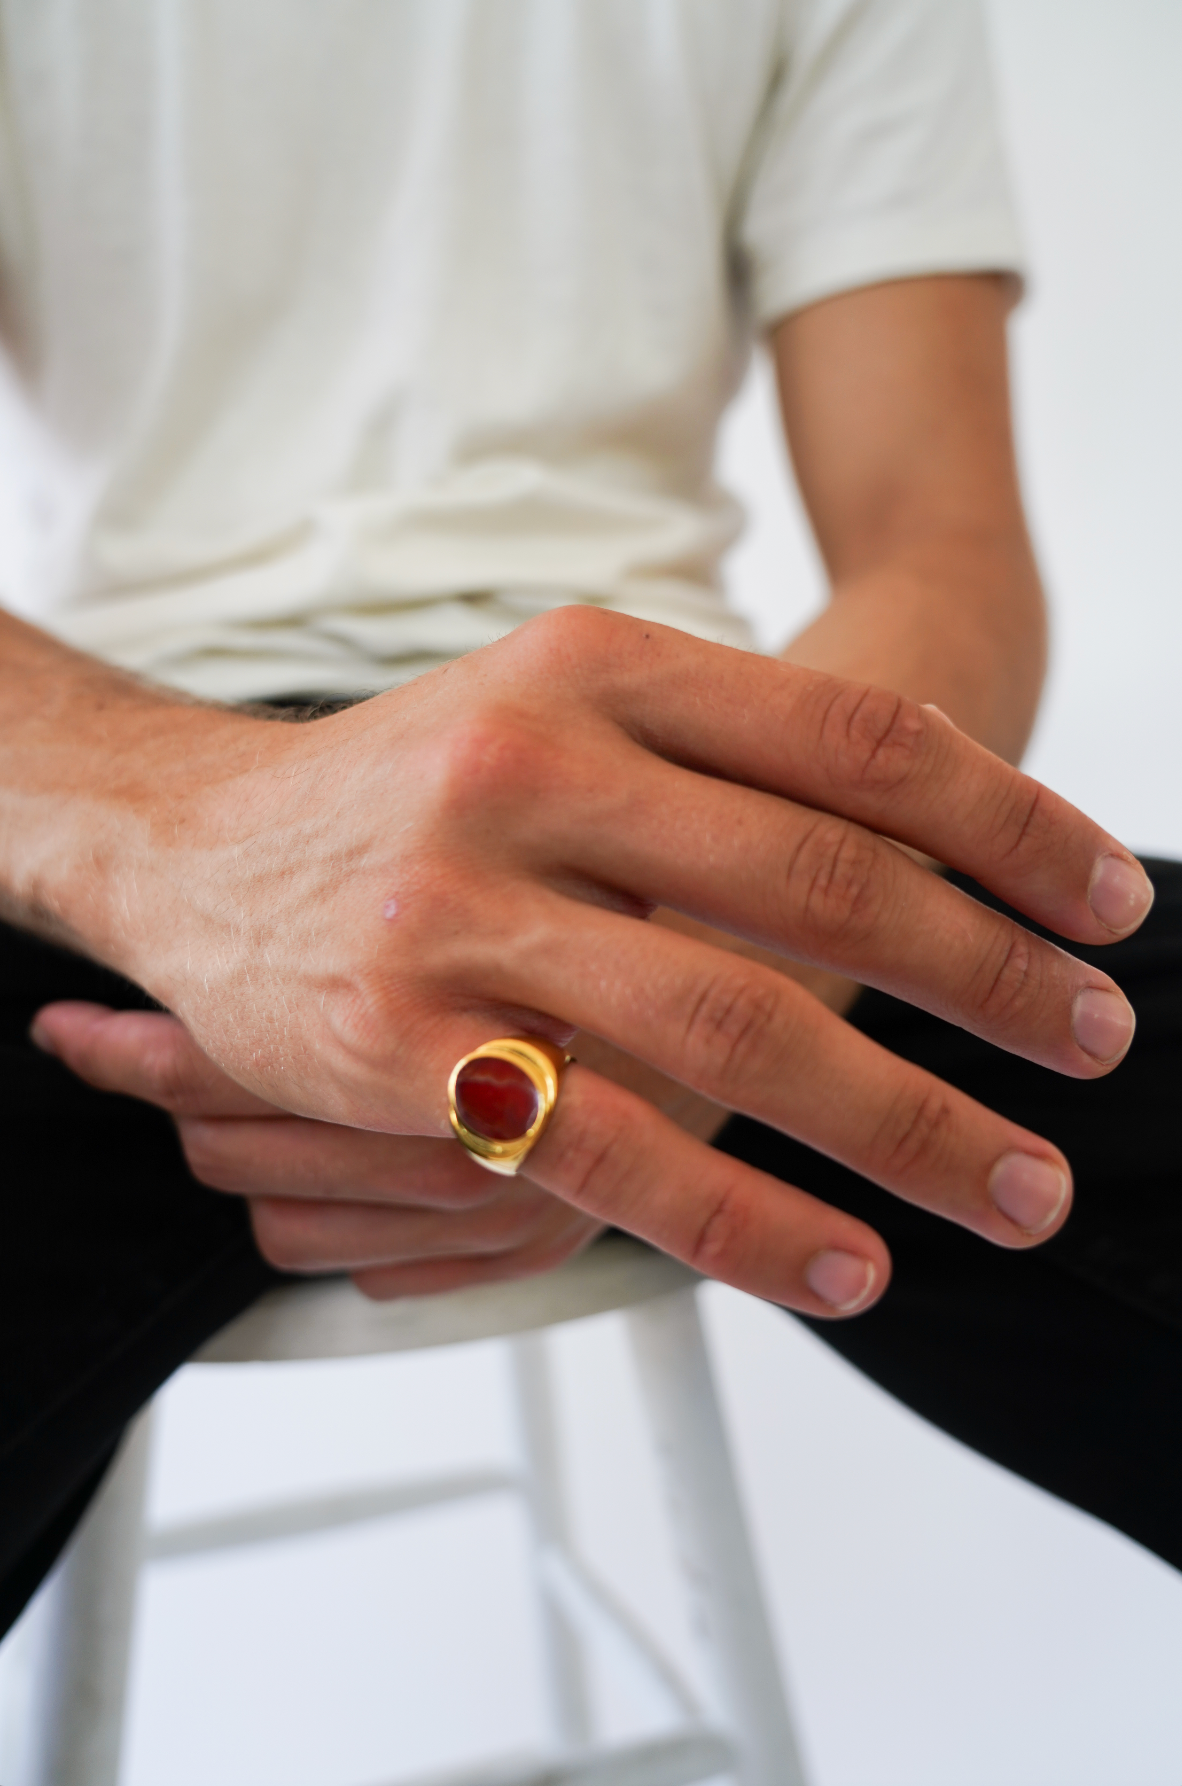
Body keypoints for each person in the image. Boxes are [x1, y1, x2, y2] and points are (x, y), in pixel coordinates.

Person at [1, 0, 1178, 1641]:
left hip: (688, 825)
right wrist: (186, 842)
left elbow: (942, 545)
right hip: (118, 812)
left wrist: (720, 964)